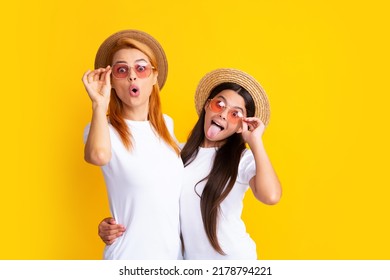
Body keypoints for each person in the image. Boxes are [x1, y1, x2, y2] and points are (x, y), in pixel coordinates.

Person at [98, 68, 282, 259]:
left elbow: (271, 196)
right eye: (220, 104)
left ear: (240, 126)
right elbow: (147, 193)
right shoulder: (176, 153)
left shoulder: (241, 159)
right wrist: (112, 224)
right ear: (207, 105)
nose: (223, 115)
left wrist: (255, 141)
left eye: (235, 114)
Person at [82, 29, 184, 260]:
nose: (132, 76)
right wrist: (99, 103)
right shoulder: (102, 129)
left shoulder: (167, 126)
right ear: (112, 81)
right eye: (121, 70)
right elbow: (98, 156)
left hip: (172, 260)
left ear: (154, 77)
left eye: (141, 68)